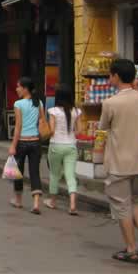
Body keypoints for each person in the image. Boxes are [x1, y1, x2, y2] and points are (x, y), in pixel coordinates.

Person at [99, 59, 138, 263]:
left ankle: (131, 248)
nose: (109, 78)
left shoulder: (111, 103)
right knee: (136, 200)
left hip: (119, 162)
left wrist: (99, 154)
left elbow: (103, 129)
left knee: (122, 206)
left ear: (117, 76)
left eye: (110, 75)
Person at [8, 76, 45, 214]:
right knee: (35, 172)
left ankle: (18, 200)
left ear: (25, 89)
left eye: (18, 87)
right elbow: (42, 121)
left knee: (18, 173)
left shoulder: (18, 104)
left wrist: (13, 145)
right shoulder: (39, 103)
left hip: (22, 141)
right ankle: (36, 204)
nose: (17, 89)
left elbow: (18, 126)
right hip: (35, 141)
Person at [45, 83, 81, 215]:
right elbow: (79, 130)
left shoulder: (53, 111)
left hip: (56, 145)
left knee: (54, 174)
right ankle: (72, 204)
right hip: (71, 145)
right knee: (70, 175)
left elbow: (52, 131)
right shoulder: (76, 111)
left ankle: (52, 201)